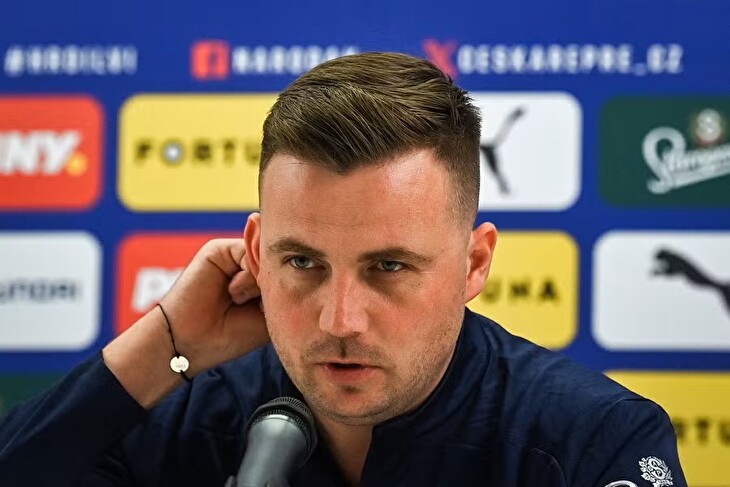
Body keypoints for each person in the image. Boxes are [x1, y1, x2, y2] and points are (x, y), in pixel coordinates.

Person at [0, 52, 685, 487]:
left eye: (388, 266)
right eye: (302, 262)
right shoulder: (184, 419)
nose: (340, 320)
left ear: (473, 263)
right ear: (256, 254)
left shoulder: (593, 439)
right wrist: (162, 346)